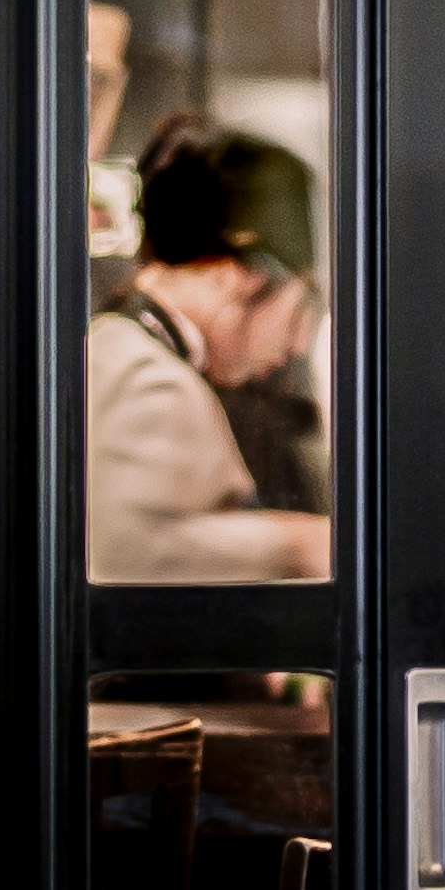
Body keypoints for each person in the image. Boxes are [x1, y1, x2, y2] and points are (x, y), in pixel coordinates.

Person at [90, 116, 331, 580]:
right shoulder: (140, 371)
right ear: (234, 276)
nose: (297, 342)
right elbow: (122, 557)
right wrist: (298, 545)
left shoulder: (126, 350)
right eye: (300, 306)